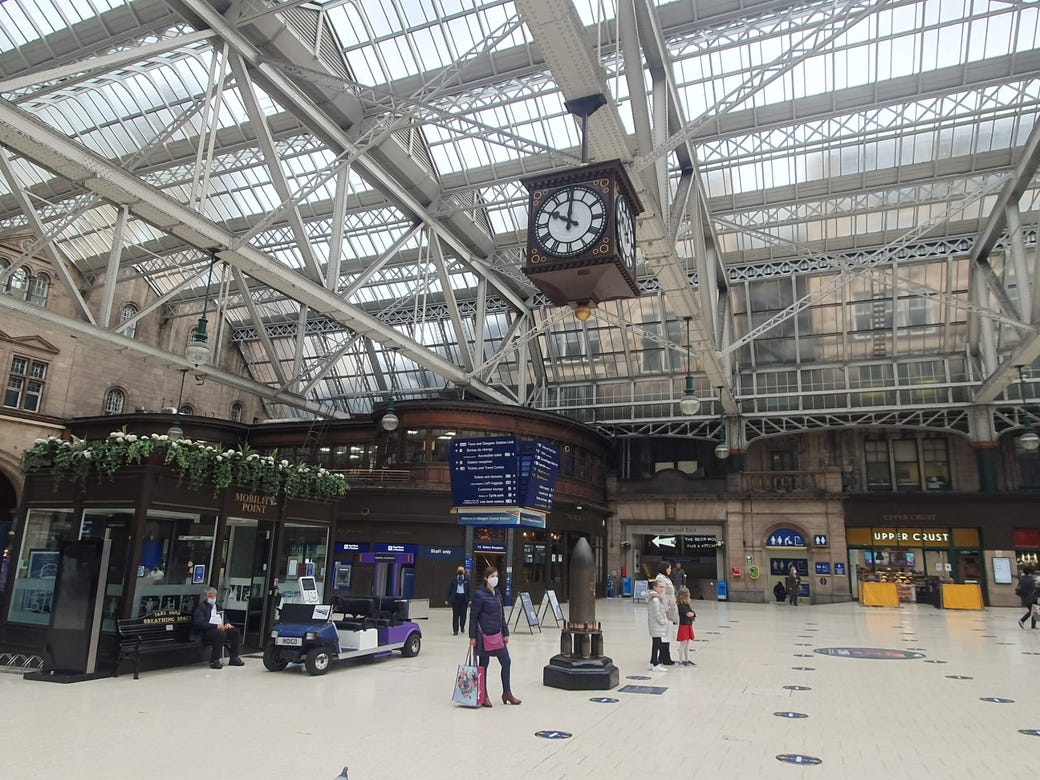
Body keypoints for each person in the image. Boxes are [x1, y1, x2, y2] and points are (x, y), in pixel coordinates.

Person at [469, 566, 521, 706]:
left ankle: (507, 692)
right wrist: (472, 636)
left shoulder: (497, 593)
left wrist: (506, 633)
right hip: (483, 636)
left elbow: (501, 615)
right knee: (484, 665)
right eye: (492, 576)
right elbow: (473, 617)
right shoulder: (480, 595)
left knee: (506, 662)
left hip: (497, 636)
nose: (495, 578)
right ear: (486, 578)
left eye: (496, 576)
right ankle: (484, 695)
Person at [192, 587, 244, 669]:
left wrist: (227, 624)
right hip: (208, 631)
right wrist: (216, 626)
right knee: (220, 634)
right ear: (206, 597)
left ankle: (234, 658)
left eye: (214, 596)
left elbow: (224, 618)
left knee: (235, 632)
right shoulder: (201, 608)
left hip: (221, 628)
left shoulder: (218, 607)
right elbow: (200, 623)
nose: (212, 598)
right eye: (210, 596)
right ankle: (214, 660)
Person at [654, 561, 679, 664]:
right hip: (666, 611)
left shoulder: (666, 578)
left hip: (670, 609)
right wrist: (665, 610)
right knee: (665, 635)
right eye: (668, 568)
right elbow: (662, 595)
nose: (670, 570)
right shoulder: (660, 579)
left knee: (668, 634)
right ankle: (664, 657)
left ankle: (665, 656)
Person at [647, 579, 670, 672]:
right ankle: (655, 663)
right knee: (657, 644)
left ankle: (653, 661)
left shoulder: (656, 598)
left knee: (656, 643)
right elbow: (657, 613)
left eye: (663, 587)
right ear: (655, 587)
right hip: (657, 625)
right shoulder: (656, 599)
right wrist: (663, 621)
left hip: (655, 625)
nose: (662, 589)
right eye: (660, 587)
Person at [445, 566, 471, 636]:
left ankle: (462, 626)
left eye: (461, 570)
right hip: (456, 598)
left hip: (464, 599)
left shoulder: (467, 579)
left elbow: (469, 590)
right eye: (459, 570)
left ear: (464, 571)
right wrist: (447, 599)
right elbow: (449, 589)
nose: (460, 571)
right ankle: (455, 630)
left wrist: (470, 599)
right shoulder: (453, 579)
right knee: (455, 615)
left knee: (463, 615)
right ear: (457, 571)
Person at [675, 587, 696, 666]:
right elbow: (689, 613)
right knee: (683, 643)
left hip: (688, 624)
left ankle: (686, 659)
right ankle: (681, 660)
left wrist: (692, 613)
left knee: (687, 643)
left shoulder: (686, 605)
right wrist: (692, 613)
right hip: (683, 626)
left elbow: (692, 613)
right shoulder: (681, 606)